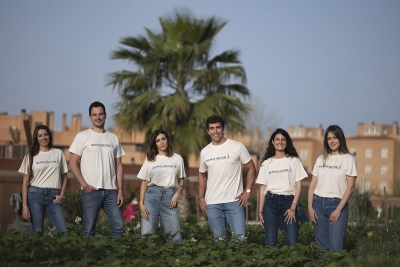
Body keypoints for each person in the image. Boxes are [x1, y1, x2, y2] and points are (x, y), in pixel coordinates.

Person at [69, 101, 125, 238]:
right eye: (94, 115)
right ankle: (90, 258)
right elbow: (72, 164)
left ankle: (114, 258)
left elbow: (119, 165)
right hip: (91, 191)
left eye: (100, 114)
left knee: (119, 226)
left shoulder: (113, 138)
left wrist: (120, 190)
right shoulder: (82, 136)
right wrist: (84, 185)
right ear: (89, 117)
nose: (98, 117)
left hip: (111, 191)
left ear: (105, 115)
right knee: (88, 231)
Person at [198, 115, 256, 242]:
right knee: (219, 240)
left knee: (240, 239)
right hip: (212, 203)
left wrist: (247, 192)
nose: (215, 131)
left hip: (234, 201)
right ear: (208, 131)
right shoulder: (205, 152)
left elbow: (251, 168)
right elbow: (202, 175)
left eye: (218, 127)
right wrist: (201, 197)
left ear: (223, 128)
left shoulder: (237, 146)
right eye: (212, 128)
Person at [308, 125, 357, 251]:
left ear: (340, 139)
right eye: (329, 138)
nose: (332, 141)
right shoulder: (320, 159)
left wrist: (338, 209)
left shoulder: (348, 159)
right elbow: (312, 185)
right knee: (321, 248)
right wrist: (310, 206)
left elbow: (350, 187)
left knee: (335, 248)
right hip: (318, 205)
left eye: (335, 137)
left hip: (337, 205)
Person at [256, 128, 308, 247]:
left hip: (289, 202)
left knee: (292, 241)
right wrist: (260, 211)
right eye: (277, 139)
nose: (280, 142)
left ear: (287, 142)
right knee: (270, 242)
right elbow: (263, 188)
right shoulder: (266, 163)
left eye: (283, 139)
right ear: (273, 142)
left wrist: (293, 207)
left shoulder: (293, 161)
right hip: (270, 203)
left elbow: (299, 185)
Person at [18, 125, 68, 234]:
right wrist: (24, 206)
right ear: (36, 138)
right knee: (38, 232)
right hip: (35, 195)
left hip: (54, 197)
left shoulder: (58, 153)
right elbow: (25, 182)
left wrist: (62, 195)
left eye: (45, 134)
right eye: (40, 136)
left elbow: (64, 177)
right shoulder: (30, 156)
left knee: (63, 232)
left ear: (49, 136)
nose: (43, 138)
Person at [138, 130, 185, 243]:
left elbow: (181, 180)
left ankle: (176, 260)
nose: (161, 142)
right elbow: (144, 182)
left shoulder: (177, 158)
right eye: (158, 140)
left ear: (167, 140)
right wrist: (141, 203)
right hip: (151, 196)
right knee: (147, 236)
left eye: (163, 139)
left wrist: (177, 194)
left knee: (175, 237)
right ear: (155, 143)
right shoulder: (150, 159)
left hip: (169, 197)